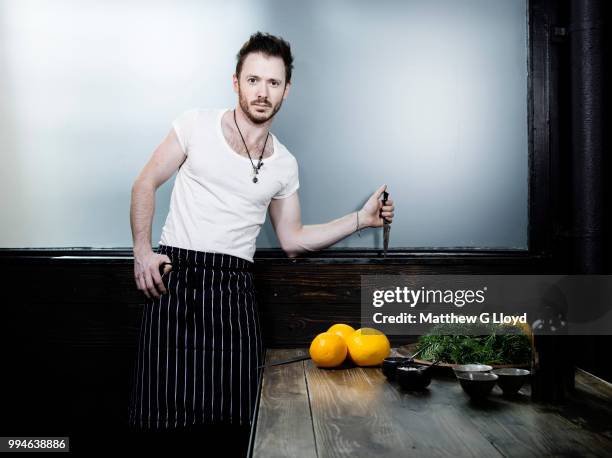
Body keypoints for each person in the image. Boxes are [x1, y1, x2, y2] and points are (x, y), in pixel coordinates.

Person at [127, 31, 395, 454]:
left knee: (239, 423)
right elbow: (144, 183)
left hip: (235, 289)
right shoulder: (194, 124)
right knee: (164, 425)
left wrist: (361, 220)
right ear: (236, 82)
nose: (262, 92)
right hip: (175, 284)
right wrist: (142, 252)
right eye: (253, 80)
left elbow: (292, 240)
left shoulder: (284, 164)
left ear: (287, 90)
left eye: (273, 83)